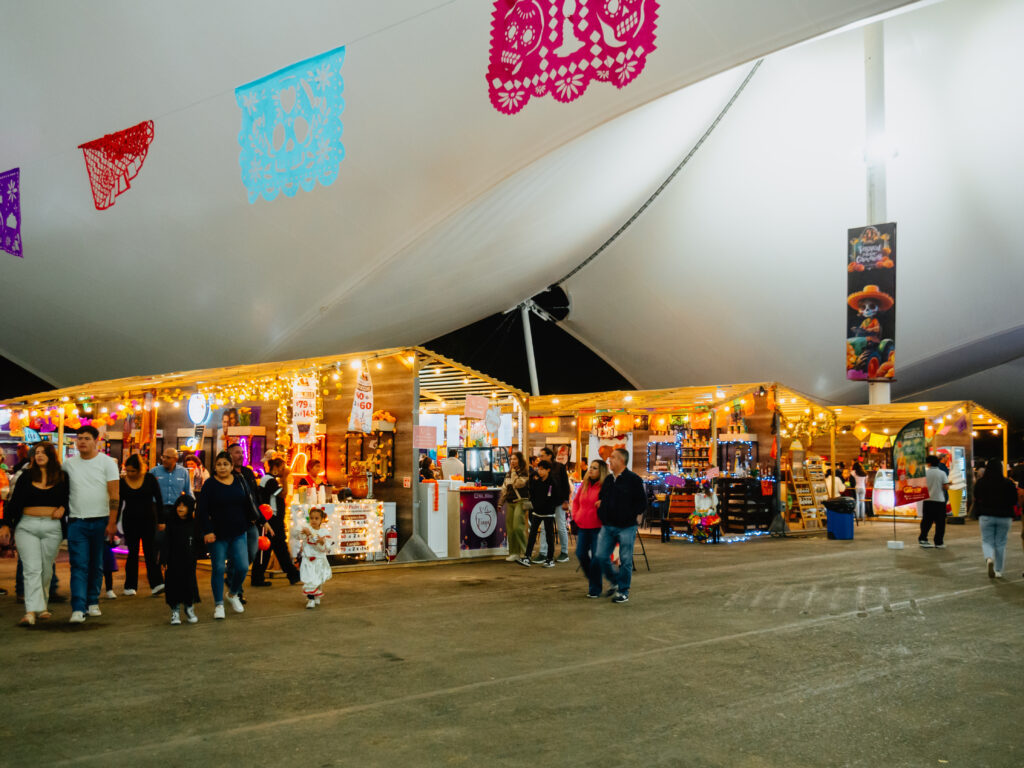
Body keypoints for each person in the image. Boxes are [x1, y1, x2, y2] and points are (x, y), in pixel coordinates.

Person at [0, 442, 68, 626]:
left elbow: (69, 499)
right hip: (27, 526)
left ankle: (42, 607)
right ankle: (30, 612)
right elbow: (14, 503)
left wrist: (63, 508)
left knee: (46, 570)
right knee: (32, 569)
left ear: (51, 455)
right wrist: (5, 524)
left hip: (52, 527)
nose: (39, 455)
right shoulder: (25, 476)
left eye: (43, 452)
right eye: (36, 453)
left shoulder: (62, 476)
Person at [63, 426, 120, 624]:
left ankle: (92, 601)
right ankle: (78, 606)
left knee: (96, 564)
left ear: (97, 441)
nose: (82, 442)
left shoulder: (107, 463)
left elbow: (115, 494)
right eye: (79, 439)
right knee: (79, 564)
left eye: (86, 438)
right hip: (77, 521)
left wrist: (112, 522)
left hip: (101, 520)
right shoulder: (68, 465)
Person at [198, 451, 253, 619]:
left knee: (243, 566)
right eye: (219, 464)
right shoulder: (209, 484)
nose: (222, 467)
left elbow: (248, 503)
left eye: (225, 464)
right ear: (215, 466)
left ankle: (232, 593)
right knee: (219, 567)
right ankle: (218, 605)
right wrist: (207, 531)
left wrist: (258, 521)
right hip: (217, 534)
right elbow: (201, 510)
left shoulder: (239, 481)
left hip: (238, 531)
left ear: (231, 466)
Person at [594, 447, 647, 603]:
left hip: (626, 526)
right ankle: (615, 581)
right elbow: (602, 496)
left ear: (621, 460)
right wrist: (602, 506)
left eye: (613, 457)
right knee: (601, 557)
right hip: (608, 525)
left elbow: (642, 503)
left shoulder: (634, 480)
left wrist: (629, 514)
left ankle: (623, 590)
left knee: (625, 559)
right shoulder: (609, 480)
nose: (609, 460)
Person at [250, 458, 301, 587]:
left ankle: (291, 574)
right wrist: (285, 478)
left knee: (276, 548)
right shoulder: (269, 480)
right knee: (270, 548)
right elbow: (283, 494)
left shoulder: (270, 480)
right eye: (283, 467)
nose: (285, 470)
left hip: (273, 518)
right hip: (270, 519)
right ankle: (259, 577)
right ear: (276, 467)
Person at [118, 454, 165, 596]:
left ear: (139, 469)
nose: (130, 473)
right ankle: (130, 585)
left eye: (133, 471)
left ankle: (157, 584)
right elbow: (119, 503)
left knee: (150, 552)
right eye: (128, 470)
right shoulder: (122, 481)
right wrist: (113, 523)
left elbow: (159, 499)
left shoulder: (149, 479)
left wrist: (161, 520)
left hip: (148, 519)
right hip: (130, 520)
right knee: (132, 553)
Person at [151, 447, 193, 590]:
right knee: (157, 541)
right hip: (158, 510)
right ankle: (157, 579)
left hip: (176, 512)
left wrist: (192, 509)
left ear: (175, 459)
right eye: (163, 457)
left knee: (176, 543)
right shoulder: (154, 472)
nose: (164, 460)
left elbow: (188, 492)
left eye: (168, 457)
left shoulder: (183, 473)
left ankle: (173, 575)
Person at [228, 442, 262, 601]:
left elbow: (255, 496)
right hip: (235, 523)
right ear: (229, 455)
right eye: (236, 452)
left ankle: (231, 574)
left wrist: (262, 518)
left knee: (252, 553)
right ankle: (237, 591)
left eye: (241, 452)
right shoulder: (226, 475)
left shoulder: (248, 473)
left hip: (251, 521)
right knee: (238, 557)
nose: (240, 455)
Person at [972, 458, 1017, 578]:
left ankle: (989, 558)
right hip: (1004, 516)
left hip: (986, 516)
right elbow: (1014, 500)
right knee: (1001, 543)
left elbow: (976, 496)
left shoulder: (981, 482)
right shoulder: (1008, 483)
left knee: (987, 541)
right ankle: (998, 570)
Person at [573, 459, 607, 598]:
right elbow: (575, 502)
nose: (590, 470)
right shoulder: (584, 485)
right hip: (583, 525)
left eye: (594, 468)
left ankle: (595, 588)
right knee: (580, 553)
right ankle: (592, 577)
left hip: (598, 527)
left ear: (601, 471)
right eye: (590, 467)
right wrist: (576, 516)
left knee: (596, 559)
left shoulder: (605, 487)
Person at [165, 496, 200, 625]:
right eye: (179, 505)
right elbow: (166, 542)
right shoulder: (171, 523)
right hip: (173, 560)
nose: (180, 508)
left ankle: (189, 607)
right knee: (173, 584)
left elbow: (198, 542)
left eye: (184, 506)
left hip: (189, 561)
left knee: (189, 584)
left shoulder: (194, 524)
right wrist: (164, 558)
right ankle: (175, 611)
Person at [518, 460, 557, 568]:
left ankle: (550, 558)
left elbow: (553, 497)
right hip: (537, 512)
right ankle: (527, 556)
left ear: (548, 470)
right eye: (538, 468)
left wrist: (549, 506)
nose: (540, 471)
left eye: (542, 469)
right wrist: (534, 505)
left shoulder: (552, 482)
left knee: (550, 536)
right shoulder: (536, 480)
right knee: (532, 535)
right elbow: (532, 492)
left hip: (548, 512)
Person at [294, 506, 333, 608]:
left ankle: (317, 594)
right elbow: (299, 536)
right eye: (312, 518)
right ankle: (310, 599)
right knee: (309, 579)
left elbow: (324, 545)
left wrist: (315, 538)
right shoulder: (306, 529)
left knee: (318, 579)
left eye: (316, 518)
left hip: (319, 560)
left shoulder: (324, 532)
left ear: (321, 519)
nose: (314, 521)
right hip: (308, 559)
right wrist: (302, 532)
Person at [538, 446, 571, 563]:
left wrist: (566, 500)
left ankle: (564, 552)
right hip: (546, 503)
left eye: (542, 455)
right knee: (544, 528)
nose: (540, 457)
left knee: (561, 526)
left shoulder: (559, 467)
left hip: (559, 501)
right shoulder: (541, 468)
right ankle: (543, 552)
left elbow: (565, 485)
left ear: (549, 455)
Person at [499, 452, 530, 563]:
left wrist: (513, 474)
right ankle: (514, 553)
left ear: (520, 460)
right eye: (511, 459)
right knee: (510, 529)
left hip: (520, 501)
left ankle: (526, 552)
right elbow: (504, 489)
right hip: (510, 502)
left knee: (518, 527)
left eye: (515, 459)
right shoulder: (509, 473)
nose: (512, 461)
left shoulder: (524, 472)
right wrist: (500, 503)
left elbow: (518, 484)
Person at [919, 455, 950, 549]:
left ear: (928, 463)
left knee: (926, 521)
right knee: (940, 523)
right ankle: (938, 542)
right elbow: (946, 487)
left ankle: (923, 539)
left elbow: (921, 486)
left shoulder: (925, 473)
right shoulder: (942, 473)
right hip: (939, 500)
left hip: (928, 500)